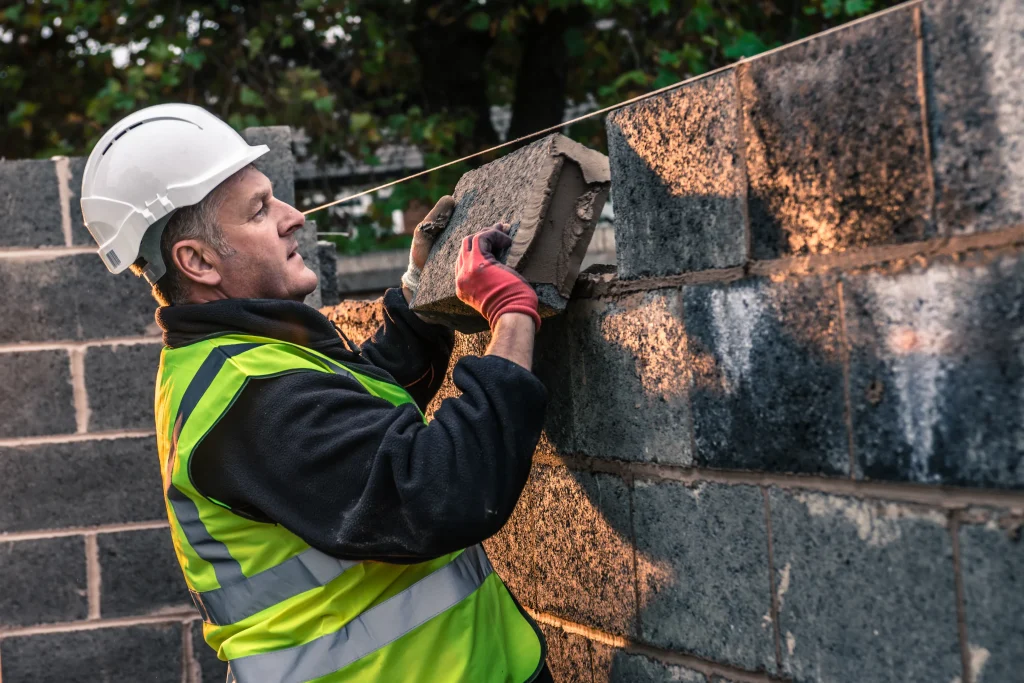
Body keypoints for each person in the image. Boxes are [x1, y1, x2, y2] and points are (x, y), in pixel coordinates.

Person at [79, 103, 552, 682]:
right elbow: (446, 490)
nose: (295, 216)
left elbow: (357, 427)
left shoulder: (231, 359)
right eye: (259, 211)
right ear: (197, 261)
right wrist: (512, 315)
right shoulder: (250, 397)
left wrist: (418, 289)